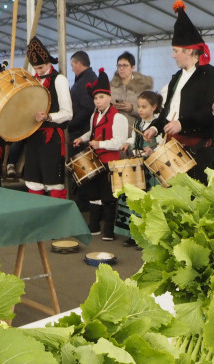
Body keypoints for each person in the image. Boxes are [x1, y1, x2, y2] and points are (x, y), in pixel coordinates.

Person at [144, 2, 214, 185]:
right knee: (171, 197)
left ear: (188, 50)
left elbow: (211, 110)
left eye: (175, 51)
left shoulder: (213, 75)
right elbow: (167, 110)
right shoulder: (176, 77)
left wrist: (182, 124)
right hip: (172, 146)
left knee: (194, 200)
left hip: (198, 150)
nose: (173, 56)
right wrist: (155, 127)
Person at [72, 69, 128, 239]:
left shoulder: (118, 118)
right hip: (95, 160)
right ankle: (94, 226)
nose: (98, 101)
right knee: (93, 194)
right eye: (95, 98)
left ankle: (108, 231)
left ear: (109, 98)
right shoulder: (94, 114)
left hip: (110, 162)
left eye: (101, 97)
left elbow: (119, 142)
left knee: (108, 196)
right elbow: (92, 131)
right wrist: (81, 138)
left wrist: (99, 144)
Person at [26, 36, 73, 198]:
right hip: (32, 136)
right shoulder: (32, 81)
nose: (38, 71)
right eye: (35, 68)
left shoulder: (59, 80)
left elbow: (68, 113)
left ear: (48, 63)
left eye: (40, 67)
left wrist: (48, 117)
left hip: (51, 138)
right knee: (33, 179)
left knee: (53, 179)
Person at [117, 90, 164, 246]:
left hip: (151, 167)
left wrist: (152, 151)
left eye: (144, 107)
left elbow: (163, 144)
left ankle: (146, 236)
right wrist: (127, 143)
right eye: (139, 106)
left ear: (154, 107)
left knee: (146, 201)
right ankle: (133, 234)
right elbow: (133, 138)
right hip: (136, 163)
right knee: (133, 198)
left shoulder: (159, 124)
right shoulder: (137, 123)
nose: (141, 110)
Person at [110, 51, 153, 135]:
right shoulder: (111, 86)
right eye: (119, 65)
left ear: (132, 68)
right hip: (113, 131)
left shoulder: (142, 87)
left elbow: (150, 112)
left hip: (134, 132)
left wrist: (132, 109)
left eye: (125, 65)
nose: (121, 68)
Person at [68, 51, 97, 158]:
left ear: (79, 64)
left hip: (81, 131)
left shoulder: (85, 81)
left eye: (72, 65)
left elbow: (88, 108)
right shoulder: (87, 78)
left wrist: (70, 126)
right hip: (81, 130)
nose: (72, 69)